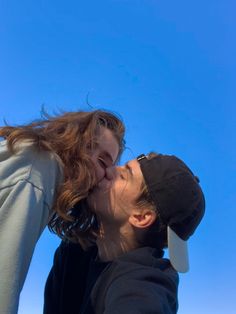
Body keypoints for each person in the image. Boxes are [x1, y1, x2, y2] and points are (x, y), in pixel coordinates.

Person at [44, 152, 205, 314]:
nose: (110, 170)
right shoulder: (76, 249)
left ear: (141, 217)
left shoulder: (143, 284)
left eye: (123, 175)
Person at [0, 109, 125, 314]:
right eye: (87, 145)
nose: (89, 159)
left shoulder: (29, 158)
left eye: (103, 162)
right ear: (68, 137)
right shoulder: (39, 171)